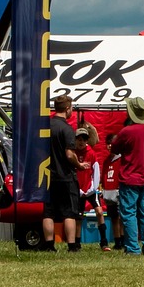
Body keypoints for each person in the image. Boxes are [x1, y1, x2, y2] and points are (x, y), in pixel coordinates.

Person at [109, 97, 144, 256]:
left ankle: (132, 248)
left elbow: (115, 149)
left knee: (129, 213)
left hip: (129, 177)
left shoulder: (126, 131)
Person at [42, 95, 89, 252]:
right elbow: (69, 154)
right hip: (65, 176)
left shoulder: (45, 126)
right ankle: (72, 245)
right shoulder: (67, 129)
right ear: (68, 108)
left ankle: (49, 245)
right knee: (69, 212)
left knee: (48, 212)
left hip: (47, 175)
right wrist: (79, 165)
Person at [73, 127, 101, 250]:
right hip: (78, 191)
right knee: (78, 217)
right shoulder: (72, 153)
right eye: (79, 139)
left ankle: (104, 241)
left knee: (99, 212)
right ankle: (77, 243)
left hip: (90, 190)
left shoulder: (91, 153)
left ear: (87, 141)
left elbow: (96, 172)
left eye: (83, 139)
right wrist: (78, 190)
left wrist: (92, 188)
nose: (81, 142)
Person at [98, 133, 121, 252]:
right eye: (108, 144)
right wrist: (102, 189)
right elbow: (104, 177)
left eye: (112, 143)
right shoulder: (107, 161)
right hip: (109, 194)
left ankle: (123, 240)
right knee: (114, 218)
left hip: (119, 192)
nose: (110, 146)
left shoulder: (121, 159)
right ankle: (117, 241)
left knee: (122, 217)